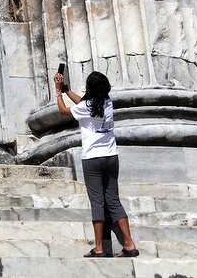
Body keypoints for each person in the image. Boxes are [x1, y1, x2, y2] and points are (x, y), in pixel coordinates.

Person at [53, 70, 139, 258]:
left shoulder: (88, 106)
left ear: (90, 88)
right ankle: (130, 244)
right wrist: (68, 90)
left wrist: (59, 91)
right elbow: (83, 103)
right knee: (114, 200)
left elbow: (63, 111)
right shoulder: (107, 103)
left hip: (92, 159)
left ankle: (99, 247)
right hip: (111, 156)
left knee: (97, 201)